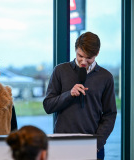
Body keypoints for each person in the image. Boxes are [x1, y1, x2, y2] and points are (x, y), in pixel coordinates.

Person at [43, 32, 117, 160]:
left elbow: (110, 114)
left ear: (97, 53)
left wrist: (97, 144)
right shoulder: (60, 71)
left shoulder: (106, 77)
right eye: (80, 56)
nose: (83, 62)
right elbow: (48, 106)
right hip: (61, 145)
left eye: (89, 58)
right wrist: (69, 94)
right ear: (75, 50)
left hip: (92, 146)